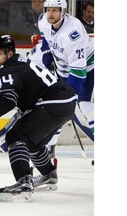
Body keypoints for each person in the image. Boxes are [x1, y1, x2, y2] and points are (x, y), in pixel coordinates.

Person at [0, 35, 76, 201]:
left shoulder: (7, 70)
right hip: (65, 101)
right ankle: (49, 174)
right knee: (32, 142)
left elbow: (7, 99)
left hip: (52, 102)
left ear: (9, 53)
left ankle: (24, 182)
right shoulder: (21, 61)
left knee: (15, 135)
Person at [39, 0, 94, 144]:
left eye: (55, 10)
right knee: (57, 109)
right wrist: (47, 53)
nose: (50, 14)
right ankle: (49, 150)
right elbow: (45, 37)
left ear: (63, 11)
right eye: (48, 10)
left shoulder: (72, 33)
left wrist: (70, 94)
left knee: (86, 107)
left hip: (88, 67)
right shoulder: (43, 21)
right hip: (64, 69)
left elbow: (79, 69)